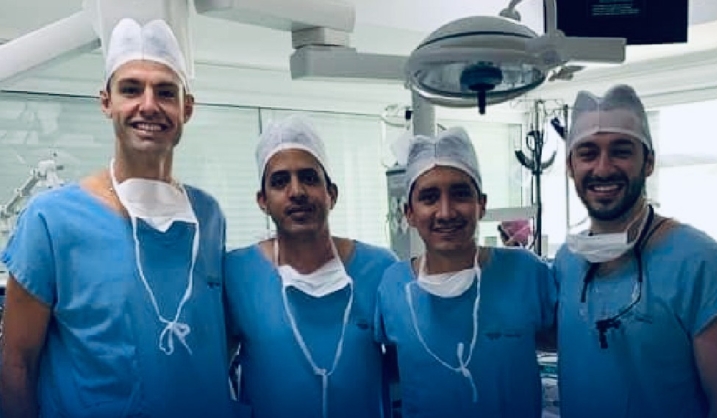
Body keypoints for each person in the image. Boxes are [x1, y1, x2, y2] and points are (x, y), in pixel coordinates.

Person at [0, 18, 240, 418]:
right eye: (131, 89)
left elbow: (214, 340)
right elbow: (16, 363)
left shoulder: (208, 216)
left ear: (187, 108)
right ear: (106, 102)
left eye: (166, 92)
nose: (149, 105)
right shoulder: (52, 219)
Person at [554, 84, 717, 418]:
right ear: (570, 167)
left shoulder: (700, 262)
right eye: (587, 153)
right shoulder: (567, 261)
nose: (603, 168)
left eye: (621, 151)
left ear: (649, 162)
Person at [374, 127, 556, 418]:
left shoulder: (526, 272)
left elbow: (563, 343)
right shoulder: (393, 286)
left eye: (460, 194)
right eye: (429, 198)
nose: (446, 212)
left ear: (481, 204)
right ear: (409, 213)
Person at [224, 115, 398, 418]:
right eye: (280, 181)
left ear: (332, 194)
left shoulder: (380, 269)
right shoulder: (237, 274)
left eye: (309, 177)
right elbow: (212, 372)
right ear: (262, 201)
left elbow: (407, 372)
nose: (296, 191)